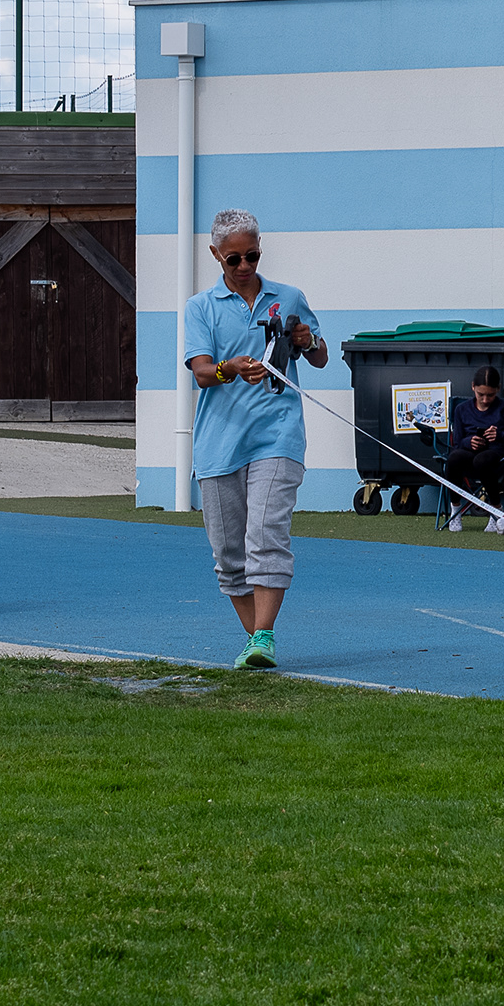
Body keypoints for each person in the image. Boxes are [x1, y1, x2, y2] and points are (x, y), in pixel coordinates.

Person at [178, 208, 325, 668]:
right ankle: (256, 641)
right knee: (229, 555)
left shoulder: (289, 297)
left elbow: (320, 356)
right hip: (219, 444)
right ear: (215, 255)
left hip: (277, 435)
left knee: (265, 533)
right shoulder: (200, 307)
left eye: (252, 257)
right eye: (234, 259)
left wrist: (306, 340)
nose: (244, 267)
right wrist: (231, 368)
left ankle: (263, 635)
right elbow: (202, 372)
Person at [442, 366, 504, 523]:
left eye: (490, 395)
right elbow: (457, 442)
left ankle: (496, 510)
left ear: (498, 389)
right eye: (481, 394)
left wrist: (500, 435)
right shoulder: (461, 409)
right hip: (468, 456)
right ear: (473, 387)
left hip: (497, 458)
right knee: (453, 458)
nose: (485, 400)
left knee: (482, 460)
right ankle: (455, 509)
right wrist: (470, 441)